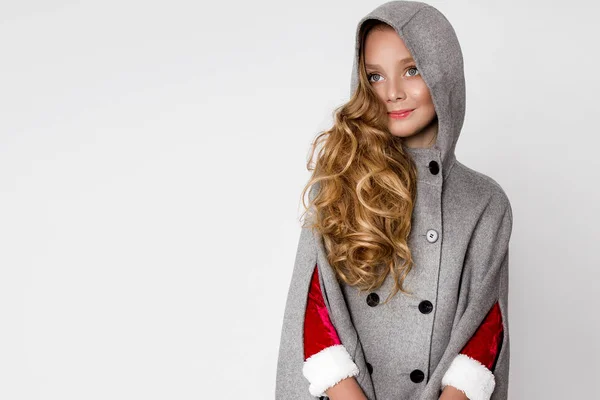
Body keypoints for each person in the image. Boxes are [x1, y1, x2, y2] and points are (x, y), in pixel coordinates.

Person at [275, 2, 513, 400]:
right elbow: (315, 310)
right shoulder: (338, 182)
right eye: (374, 76)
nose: (393, 92)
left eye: (411, 70)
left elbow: (484, 330)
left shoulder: (484, 202)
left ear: (444, 73)